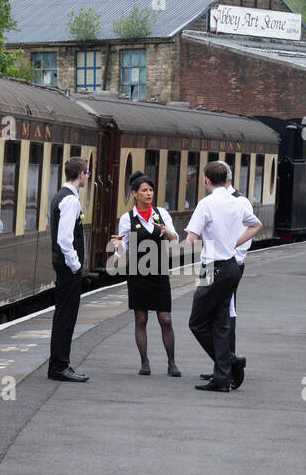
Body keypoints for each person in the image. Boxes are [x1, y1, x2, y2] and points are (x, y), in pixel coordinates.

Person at [185, 161, 260, 393]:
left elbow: (191, 237)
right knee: (221, 321)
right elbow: (255, 225)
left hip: (211, 267)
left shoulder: (206, 203)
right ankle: (221, 378)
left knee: (196, 322)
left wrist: (190, 238)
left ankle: (229, 362)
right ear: (226, 179)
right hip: (231, 267)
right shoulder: (237, 202)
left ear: (207, 180)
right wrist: (234, 241)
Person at [111, 171, 181, 377]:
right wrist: (117, 245)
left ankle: (172, 363)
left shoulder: (161, 213)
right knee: (141, 318)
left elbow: (175, 239)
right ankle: (144, 362)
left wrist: (166, 231)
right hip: (137, 273)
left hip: (159, 271)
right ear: (135, 193)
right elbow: (121, 253)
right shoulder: (127, 218)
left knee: (165, 319)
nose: (149, 194)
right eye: (144, 190)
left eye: (150, 190)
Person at [201, 161, 254, 382]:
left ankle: (229, 366)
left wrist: (233, 259)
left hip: (226, 264)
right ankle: (221, 366)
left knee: (225, 312)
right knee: (214, 314)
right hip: (209, 264)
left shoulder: (239, 201)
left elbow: (245, 238)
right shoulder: (213, 201)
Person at [48, 157, 91, 382]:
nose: (87, 177)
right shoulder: (71, 201)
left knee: (62, 315)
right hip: (67, 267)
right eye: (87, 173)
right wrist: (75, 265)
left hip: (62, 264)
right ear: (81, 174)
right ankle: (59, 367)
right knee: (66, 317)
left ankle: (57, 364)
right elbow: (64, 239)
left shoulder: (59, 196)